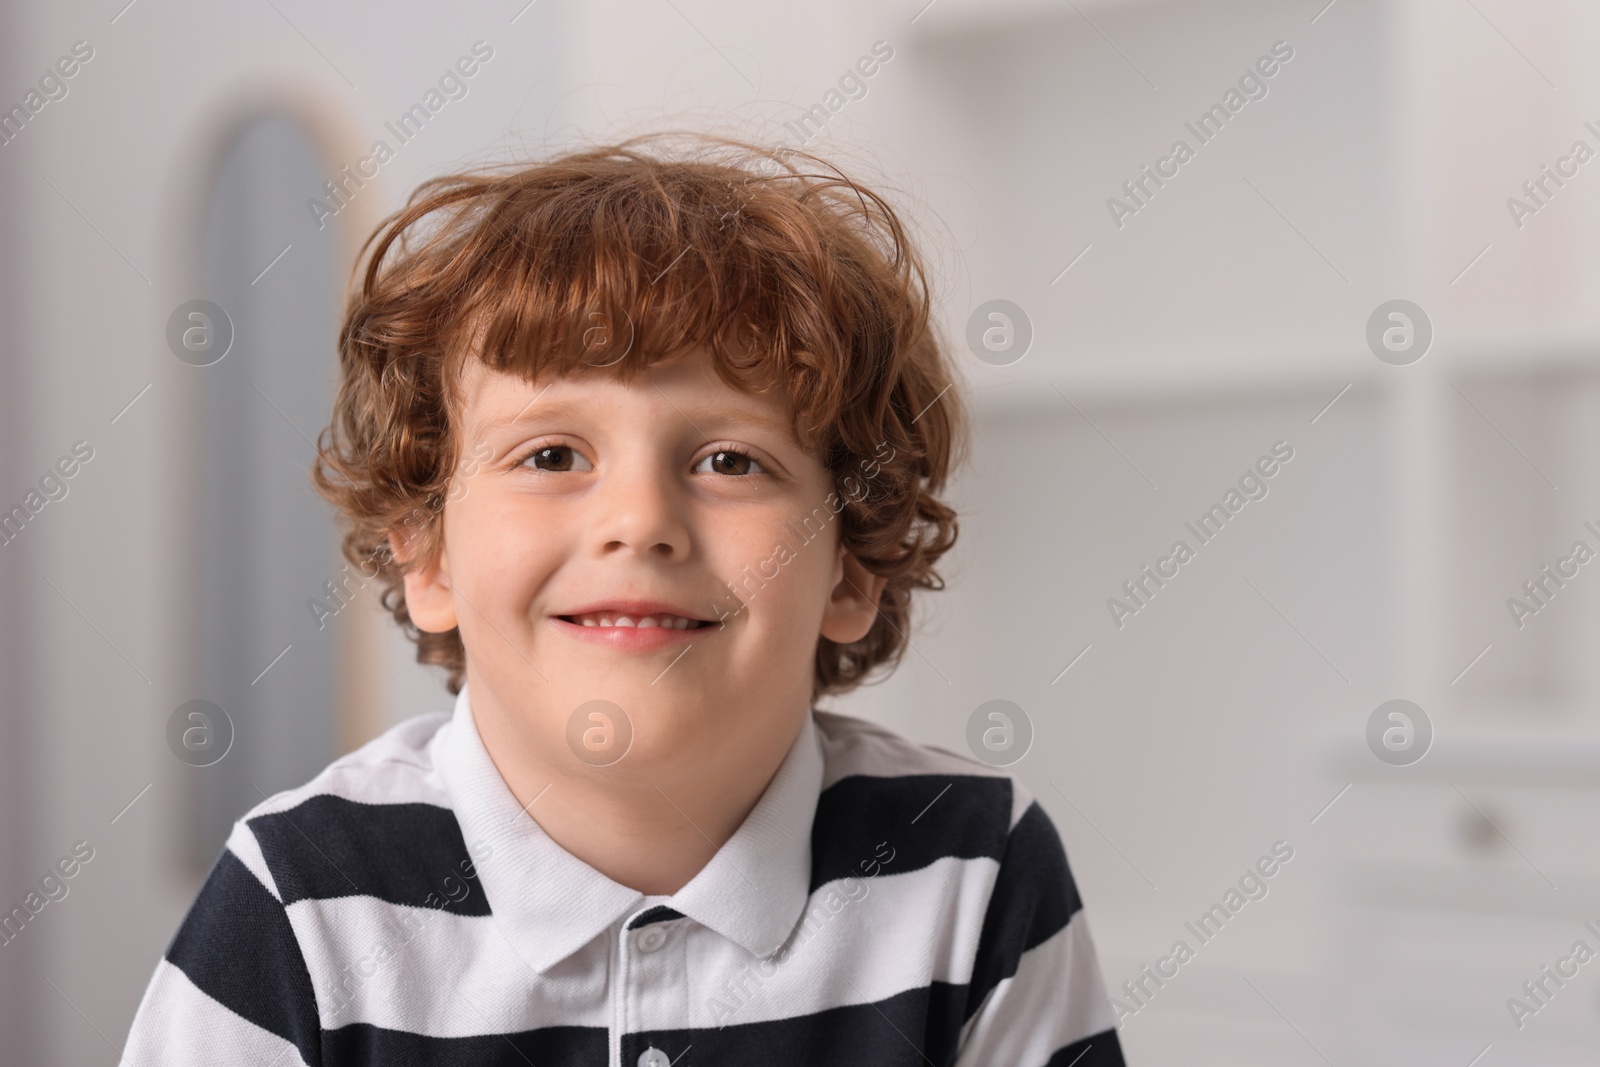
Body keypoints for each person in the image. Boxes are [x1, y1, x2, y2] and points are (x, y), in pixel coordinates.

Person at [123, 132, 1124, 1066]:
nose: (640, 519)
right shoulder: (301, 899)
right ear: (426, 555)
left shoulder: (975, 868)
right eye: (552, 453)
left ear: (853, 565)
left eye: (731, 459)